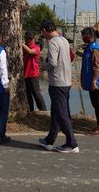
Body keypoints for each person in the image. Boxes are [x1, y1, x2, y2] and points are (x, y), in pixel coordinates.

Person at [38, 19, 79, 154]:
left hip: (57, 82)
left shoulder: (53, 43)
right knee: (56, 111)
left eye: (42, 32)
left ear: (45, 30)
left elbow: (53, 63)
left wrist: (42, 66)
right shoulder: (64, 40)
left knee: (61, 113)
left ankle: (72, 143)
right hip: (66, 80)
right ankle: (49, 140)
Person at [80, 27, 99, 135]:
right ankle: (98, 125)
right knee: (95, 104)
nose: (83, 38)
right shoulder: (89, 47)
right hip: (91, 81)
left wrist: (94, 81)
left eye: (84, 36)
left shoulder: (95, 49)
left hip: (97, 82)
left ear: (90, 36)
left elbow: (97, 67)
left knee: (98, 104)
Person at [21, 29, 46, 112]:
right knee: (28, 95)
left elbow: (30, 51)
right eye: (27, 38)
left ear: (33, 39)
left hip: (33, 75)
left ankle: (43, 110)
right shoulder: (24, 47)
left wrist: (20, 43)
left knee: (36, 94)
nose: (28, 40)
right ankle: (30, 111)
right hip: (25, 74)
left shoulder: (36, 48)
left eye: (30, 39)